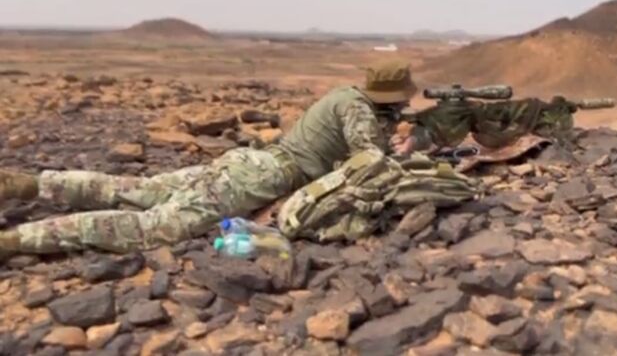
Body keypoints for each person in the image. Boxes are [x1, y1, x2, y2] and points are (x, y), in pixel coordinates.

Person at [0, 63, 435, 258]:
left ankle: (27, 184)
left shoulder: (345, 95)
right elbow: (368, 157)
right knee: (154, 227)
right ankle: (17, 241)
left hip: (248, 163)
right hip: (260, 177)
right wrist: (408, 148)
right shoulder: (358, 108)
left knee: (137, 190)